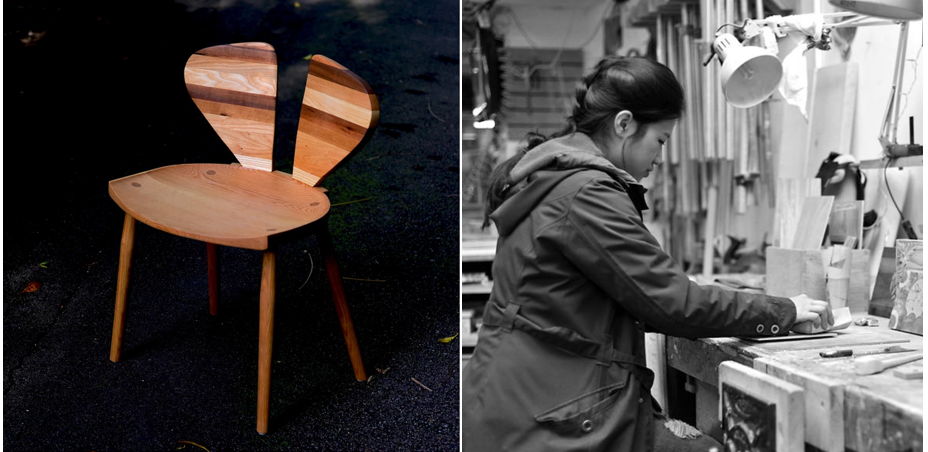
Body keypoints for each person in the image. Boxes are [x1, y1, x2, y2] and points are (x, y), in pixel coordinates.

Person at [461, 56, 833, 452]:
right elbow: (672, 302)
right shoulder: (587, 193)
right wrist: (782, 312)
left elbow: (634, 296)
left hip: (524, 397)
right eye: (660, 140)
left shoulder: (553, 175)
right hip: (548, 415)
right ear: (624, 125)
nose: (660, 157)